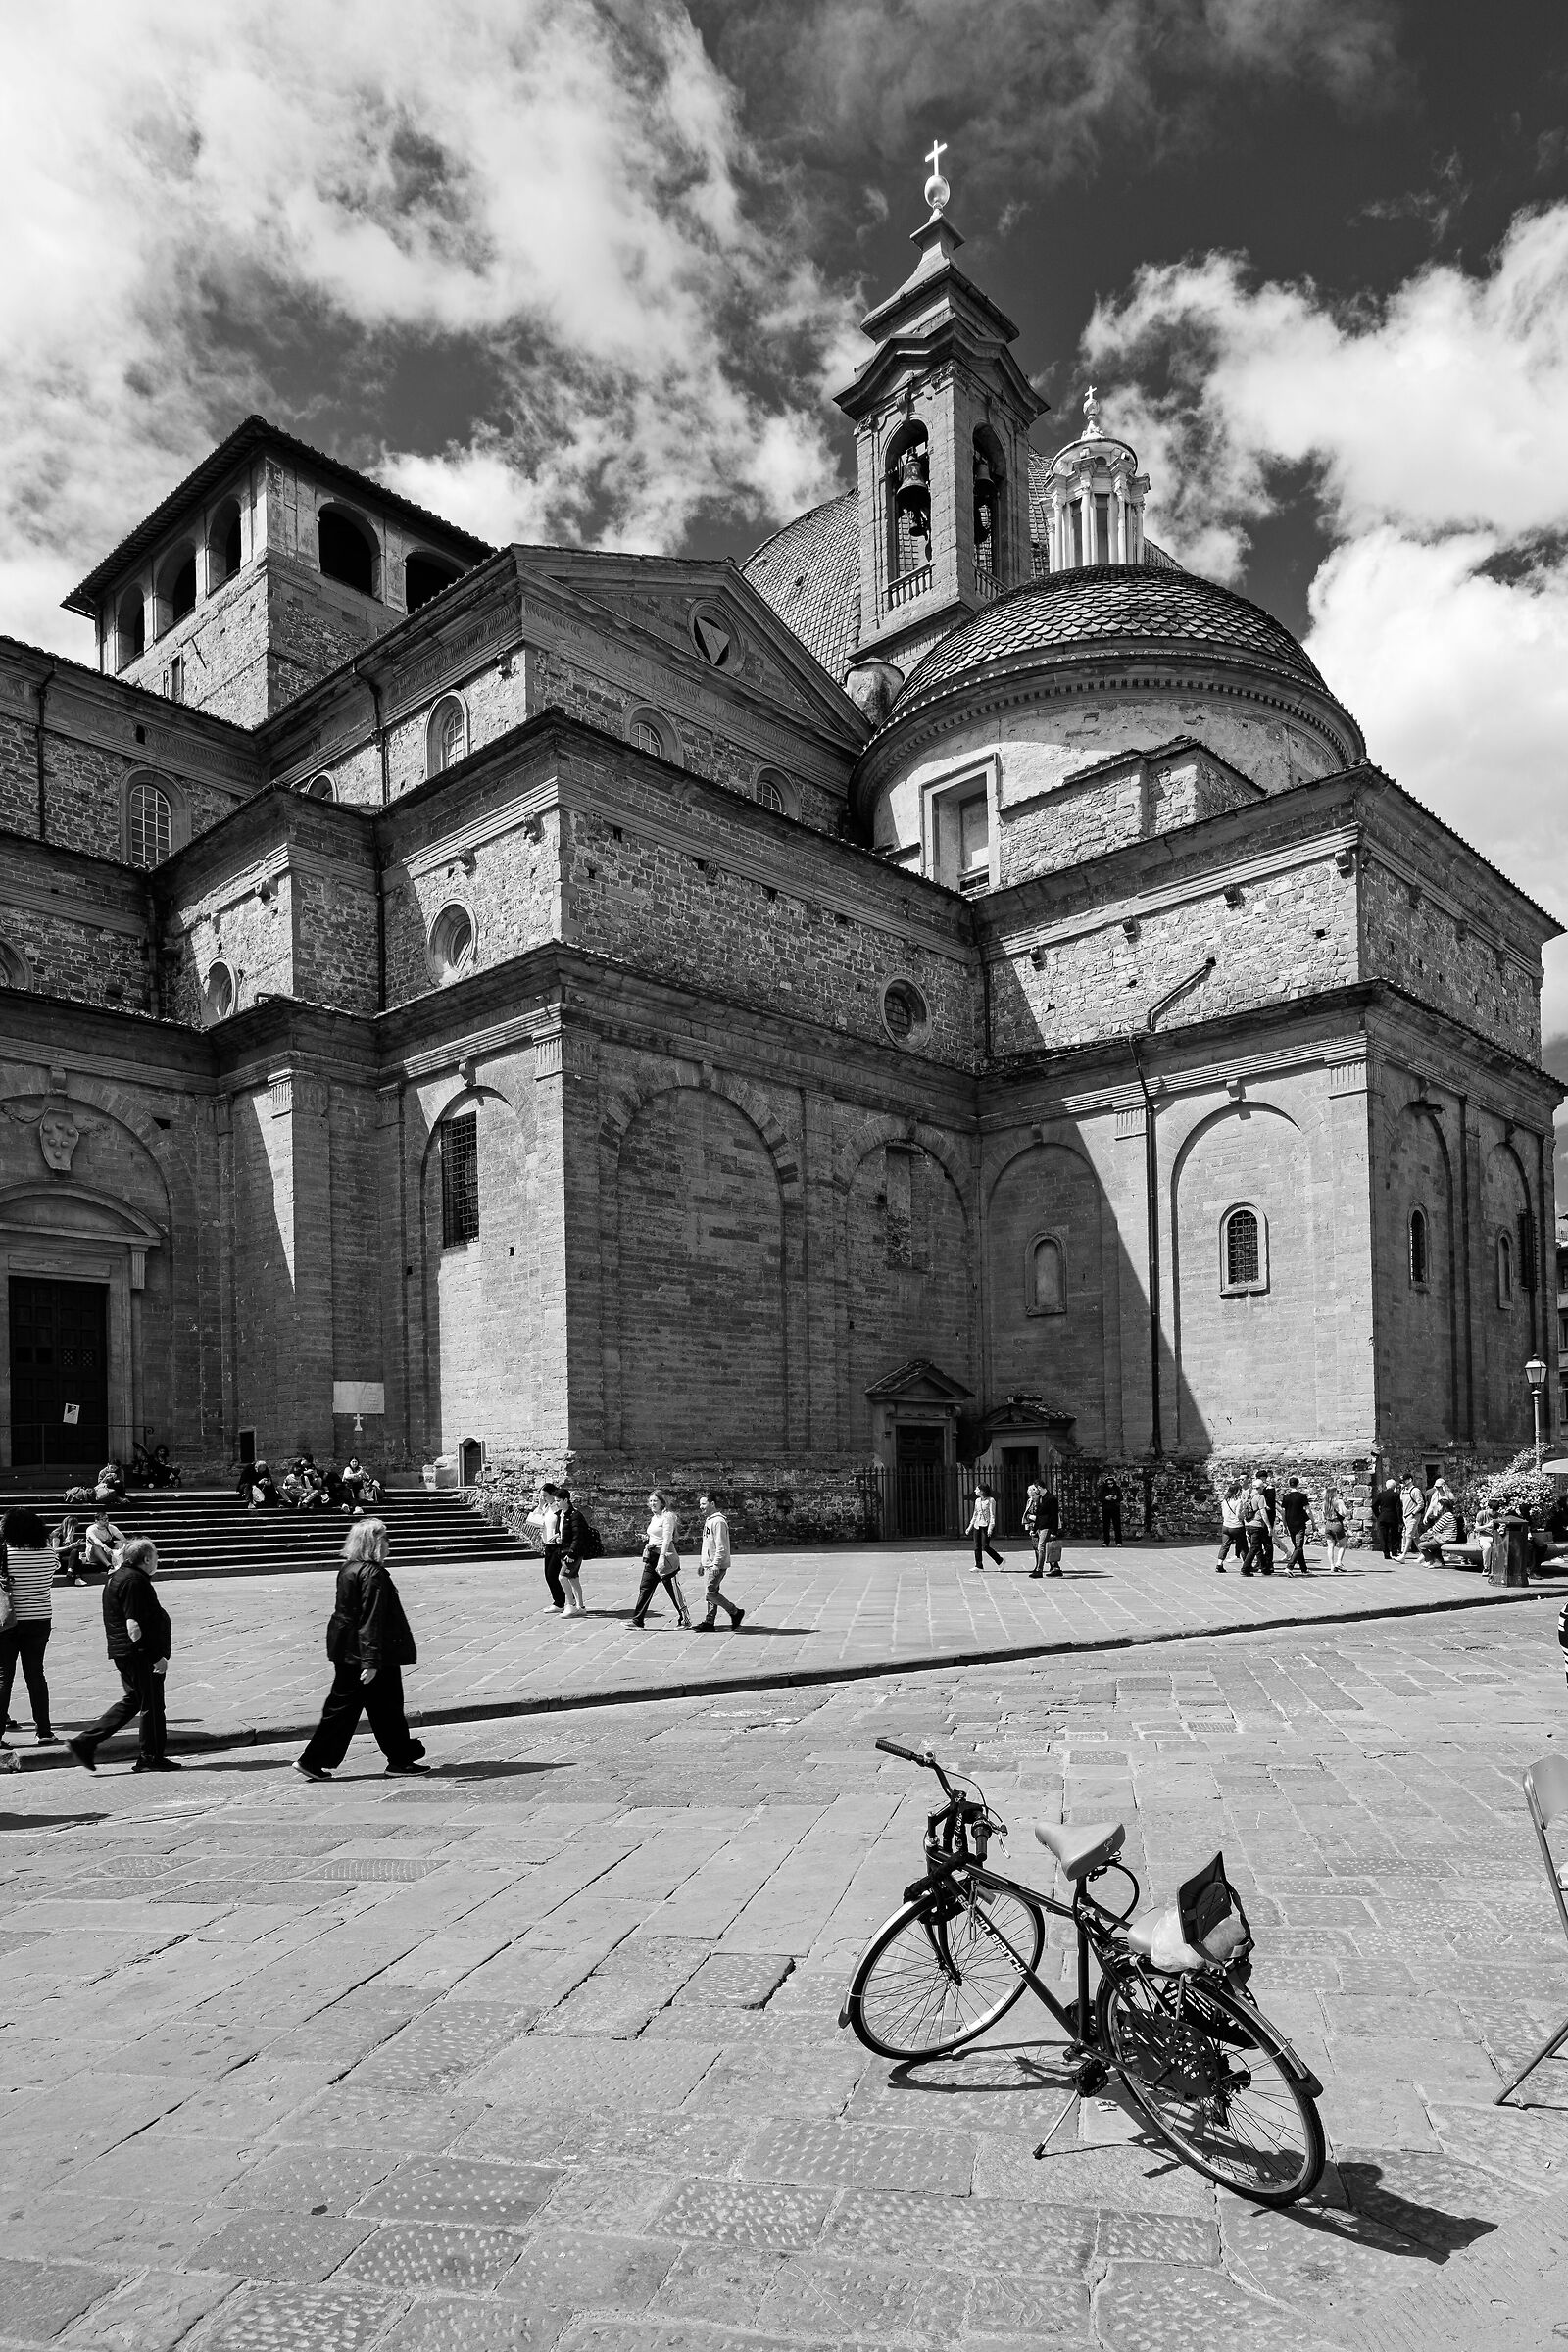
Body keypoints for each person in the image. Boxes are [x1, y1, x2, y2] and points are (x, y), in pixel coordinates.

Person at [295, 1519, 428, 1781]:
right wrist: (371, 1660)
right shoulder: (372, 1574)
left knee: (383, 1707)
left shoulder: (349, 1568)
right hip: (369, 1653)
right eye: (385, 1538)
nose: (389, 1543)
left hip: (348, 1648)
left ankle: (401, 1758)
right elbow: (371, 1618)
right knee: (352, 1708)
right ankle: (312, 1759)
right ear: (374, 1542)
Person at [67, 1537, 175, 1774]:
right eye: (156, 1556)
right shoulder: (135, 1581)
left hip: (125, 1652)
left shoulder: (119, 1577)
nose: (158, 1560)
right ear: (146, 1559)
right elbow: (134, 1626)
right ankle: (150, 1757)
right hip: (137, 1654)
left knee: (135, 1700)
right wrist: (155, 1656)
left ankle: (85, 1742)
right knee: (152, 1705)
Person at [0, 1508, 60, 1747]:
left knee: (4, 1675)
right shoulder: (47, 1553)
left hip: (7, 1621)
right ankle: (44, 1731)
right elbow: (54, 1569)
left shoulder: (4, 1552)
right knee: (36, 1674)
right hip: (39, 1619)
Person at [630, 1492, 691, 1627]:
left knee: (674, 1591)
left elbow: (667, 1539)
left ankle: (685, 1619)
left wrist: (662, 1558)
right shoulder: (654, 1517)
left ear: (662, 1503)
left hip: (666, 1557)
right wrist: (646, 1538)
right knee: (645, 1588)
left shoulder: (667, 1517)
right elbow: (656, 1536)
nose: (652, 1504)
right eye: (650, 1501)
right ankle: (637, 1620)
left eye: (655, 1501)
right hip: (652, 1557)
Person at [695, 1491, 745, 1630]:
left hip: (716, 1564)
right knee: (712, 1592)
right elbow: (707, 1544)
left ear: (712, 1504)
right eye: (700, 1504)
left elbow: (721, 1544)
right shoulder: (709, 1520)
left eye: (703, 1504)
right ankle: (709, 1622)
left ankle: (735, 1612)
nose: (701, 1507)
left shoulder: (719, 1521)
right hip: (708, 1562)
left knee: (710, 1592)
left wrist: (716, 1563)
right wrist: (702, 1562)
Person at [527, 1485, 566, 1611]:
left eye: (545, 1496)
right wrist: (539, 1506)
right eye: (541, 1496)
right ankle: (561, 1601)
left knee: (553, 1574)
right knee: (549, 1575)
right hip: (548, 1544)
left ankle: (560, 1602)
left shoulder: (558, 1508)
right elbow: (533, 1521)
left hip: (558, 1545)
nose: (543, 1498)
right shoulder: (545, 1508)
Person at [558, 1488, 587, 1617]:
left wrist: (571, 1553)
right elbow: (565, 1533)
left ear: (566, 1500)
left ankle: (570, 1605)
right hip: (564, 1550)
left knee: (562, 1577)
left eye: (558, 1501)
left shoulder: (575, 1515)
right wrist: (559, 1538)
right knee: (573, 1578)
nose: (556, 1503)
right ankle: (581, 1606)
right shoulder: (561, 1515)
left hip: (573, 1553)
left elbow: (578, 1536)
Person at [1023, 1482, 1061, 1578]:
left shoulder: (1051, 1499)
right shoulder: (1042, 1498)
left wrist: (1054, 1531)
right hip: (1041, 1526)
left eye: (1035, 1489)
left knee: (1041, 1546)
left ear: (1039, 1488)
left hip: (1047, 1526)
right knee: (1048, 1547)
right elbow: (1039, 1515)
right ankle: (1056, 1568)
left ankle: (1039, 1570)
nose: (1034, 1491)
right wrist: (1034, 1529)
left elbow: (1054, 1516)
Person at [1418, 1476, 1459, 1561]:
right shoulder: (1435, 1494)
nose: (1437, 1488)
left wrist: (1445, 1492)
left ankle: (1434, 1559)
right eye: (1436, 1487)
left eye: (1438, 1487)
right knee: (1430, 1536)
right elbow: (1431, 1505)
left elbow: (1450, 1504)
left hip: (1444, 1519)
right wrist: (1426, 1516)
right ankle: (1433, 1559)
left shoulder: (1448, 1495)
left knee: (1432, 1537)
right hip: (1437, 1517)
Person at [966, 1482, 1004, 1572]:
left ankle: (1000, 1560)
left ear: (982, 1491)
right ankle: (979, 1565)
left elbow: (992, 1515)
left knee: (985, 1546)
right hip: (977, 1525)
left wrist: (991, 1527)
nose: (975, 1491)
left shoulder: (991, 1500)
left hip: (986, 1525)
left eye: (977, 1489)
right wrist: (970, 1526)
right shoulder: (977, 1501)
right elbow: (975, 1514)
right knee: (977, 1546)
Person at [1280, 1476, 1313, 1574]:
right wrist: (1313, 1522)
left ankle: (1304, 1568)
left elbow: (1283, 1512)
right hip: (1299, 1524)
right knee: (1298, 1547)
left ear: (1289, 1485)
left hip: (1290, 1524)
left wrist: (1284, 1525)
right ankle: (1289, 1567)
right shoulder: (1302, 1496)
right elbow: (1308, 1511)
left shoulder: (1286, 1497)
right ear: (1298, 1484)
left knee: (1297, 1547)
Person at [1241, 1477, 1272, 1577]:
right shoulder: (1260, 1497)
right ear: (1261, 1488)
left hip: (1248, 1524)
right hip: (1257, 1525)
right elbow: (1263, 1512)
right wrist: (1269, 1526)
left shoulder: (1248, 1496)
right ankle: (1245, 1568)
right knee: (1254, 1547)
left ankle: (1264, 1568)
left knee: (1258, 1547)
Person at [80, 1508, 125, 1576]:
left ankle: (123, 1564)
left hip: (108, 1552)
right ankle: (109, 1567)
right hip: (94, 1555)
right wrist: (104, 1547)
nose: (106, 1521)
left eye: (107, 1519)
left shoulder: (111, 1527)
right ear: (97, 1521)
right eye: (104, 1520)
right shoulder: (91, 1529)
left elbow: (122, 1537)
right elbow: (95, 1540)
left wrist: (124, 1546)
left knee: (120, 1544)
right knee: (96, 1546)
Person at [1215, 1482, 1246, 1574]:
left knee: (1224, 1546)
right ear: (1237, 1491)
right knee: (1243, 1546)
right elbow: (1238, 1515)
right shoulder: (1238, 1501)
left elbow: (1224, 1514)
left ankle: (1219, 1565)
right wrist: (1243, 1514)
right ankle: (1246, 1565)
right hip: (1236, 1526)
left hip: (1226, 1526)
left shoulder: (1224, 1501)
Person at [1373, 1478, 1403, 1560]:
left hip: (1382, 1517)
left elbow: (1374, 1506)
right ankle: (1394, 1552)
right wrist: (1400, 1519)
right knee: (1394, 1535)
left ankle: (1386, 1553)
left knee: (1383, 1536)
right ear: (1394, 1486)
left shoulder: (1381, 1494)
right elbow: (1398, 1508)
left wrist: (1378, 1515)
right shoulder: (1396, 1495)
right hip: (1393, 1517)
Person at [1399, 1475, 1425, 1557]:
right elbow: (1401, 1501)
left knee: (1409, 1535)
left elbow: (1421, 1504)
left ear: (1410, 1480)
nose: (1403, 1482)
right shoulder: (1404, 1491)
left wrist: (1414, 1513)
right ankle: (1424, 1554)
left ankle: (1403, 1555)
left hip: (1413, 1516)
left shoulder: (1415, 1490)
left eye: (1404, 1480)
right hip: (1406, 1516)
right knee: (1415, 1536)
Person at [1324, 1489, 1348, 1572]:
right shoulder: (1338, 1502)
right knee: (1343, 1544)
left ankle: (1331, 1565)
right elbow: (1344, 1513)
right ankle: (1338, 1562)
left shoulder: (1324, 1503)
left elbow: (1323, 1514)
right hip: (1336, 1523)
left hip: (1328, 1524)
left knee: (1330, 1546)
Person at [1096, 1472, 1122, 1547]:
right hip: (1106, 1509)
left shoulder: (1117, 1489)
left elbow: (1121, 1498)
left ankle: (1119, 1542)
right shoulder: (1103, 1489)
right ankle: (1106, 1542)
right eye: (1109, 1483)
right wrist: (1106, 1498)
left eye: (1111, 1483)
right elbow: (1099, 1498)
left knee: (1117, 1526)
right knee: (1106, 1526)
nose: (1110, 1485)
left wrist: (1116, 1498)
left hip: (1115, 1508)